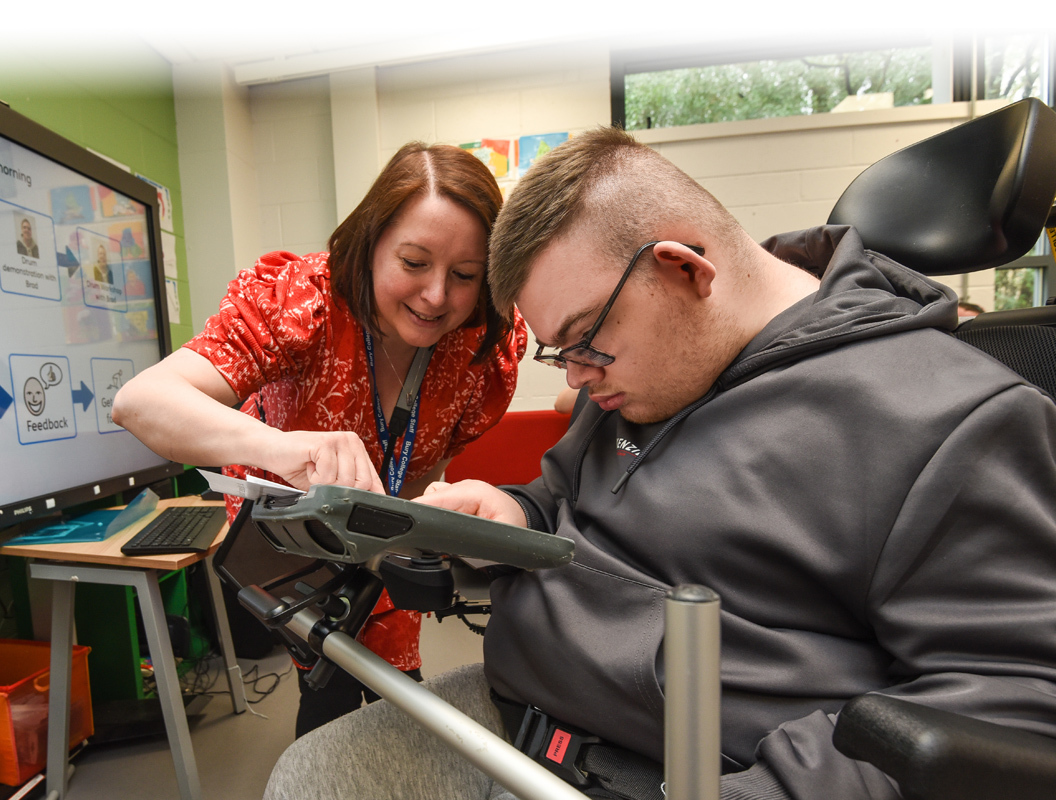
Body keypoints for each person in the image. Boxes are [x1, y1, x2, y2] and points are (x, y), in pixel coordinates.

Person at [263, 126, 1056, 799]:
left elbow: (1011, 706)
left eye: (585, 340)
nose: (575, 375)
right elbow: (562, 497)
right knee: (311, 775)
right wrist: (517, 513)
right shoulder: (638, 377)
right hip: (522, 719)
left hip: (685, 774)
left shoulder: (951, 421)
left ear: (684, 269)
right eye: (557, 352)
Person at [111, 142, 527, 738]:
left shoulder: (482, 347)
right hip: (285, 534)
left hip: (380, 532)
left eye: (464, 276)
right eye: (413, 262)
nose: (437, 297)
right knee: (326, 679)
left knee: (396, 690)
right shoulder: (302, 301)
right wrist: (287, 450)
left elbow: (428, 463)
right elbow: (141, 402)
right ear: (370, 243)